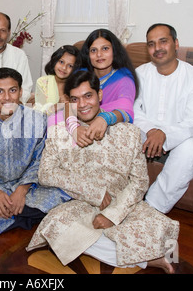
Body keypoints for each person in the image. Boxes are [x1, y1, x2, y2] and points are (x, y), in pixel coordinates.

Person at [26, 70, 180, 274]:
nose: (82, 105)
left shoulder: (128, 132)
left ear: (99, 95)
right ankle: (147, 260)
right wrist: (92, 191)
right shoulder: (60, 132)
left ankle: (117, 248)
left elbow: (140, 183)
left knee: (165, 233)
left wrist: (113, 214)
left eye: (88, 96)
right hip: (81, 205)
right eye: (75, 99)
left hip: (123, 204)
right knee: (55, 227)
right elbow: (45, 174)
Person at [0, 67, 70, 245]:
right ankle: (22, 217)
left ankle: (11, 216)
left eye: (12, 90)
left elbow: (41, 159)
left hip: (30, 186)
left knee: (63, 193)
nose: (6, 98)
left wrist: (22, 189)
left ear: (20, 92)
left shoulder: (38, 120)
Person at [133, 23, 193, 214]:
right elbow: (133, 111)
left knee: (190, 149)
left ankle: (151, 209)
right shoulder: (140, 74)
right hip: (145, 132)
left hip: (179, 135)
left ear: (176, 44)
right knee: (120, 132)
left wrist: (164, 134)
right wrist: (151, 130)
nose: (157, 48)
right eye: (151, 44)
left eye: (163, 41)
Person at [66, 29, 139, 147]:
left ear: (114, 51)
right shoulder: (81, 74)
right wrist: (74, 128)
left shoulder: (123, 78)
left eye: (105, 49)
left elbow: (126, 110)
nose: (99, 55)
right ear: (88, 54)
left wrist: (105, 118)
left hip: (110, 130)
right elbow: (66, 105)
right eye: (93, 50)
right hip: (78, 126)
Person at [33, 45, 81, 126]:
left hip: (71, 127)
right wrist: (57, 106)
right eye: (61, 62)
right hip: (46, 128)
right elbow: (38, 114)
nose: (64, 68)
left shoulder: (77, 85)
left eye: (70, 66)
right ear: (55, 60)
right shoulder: (43, 82)